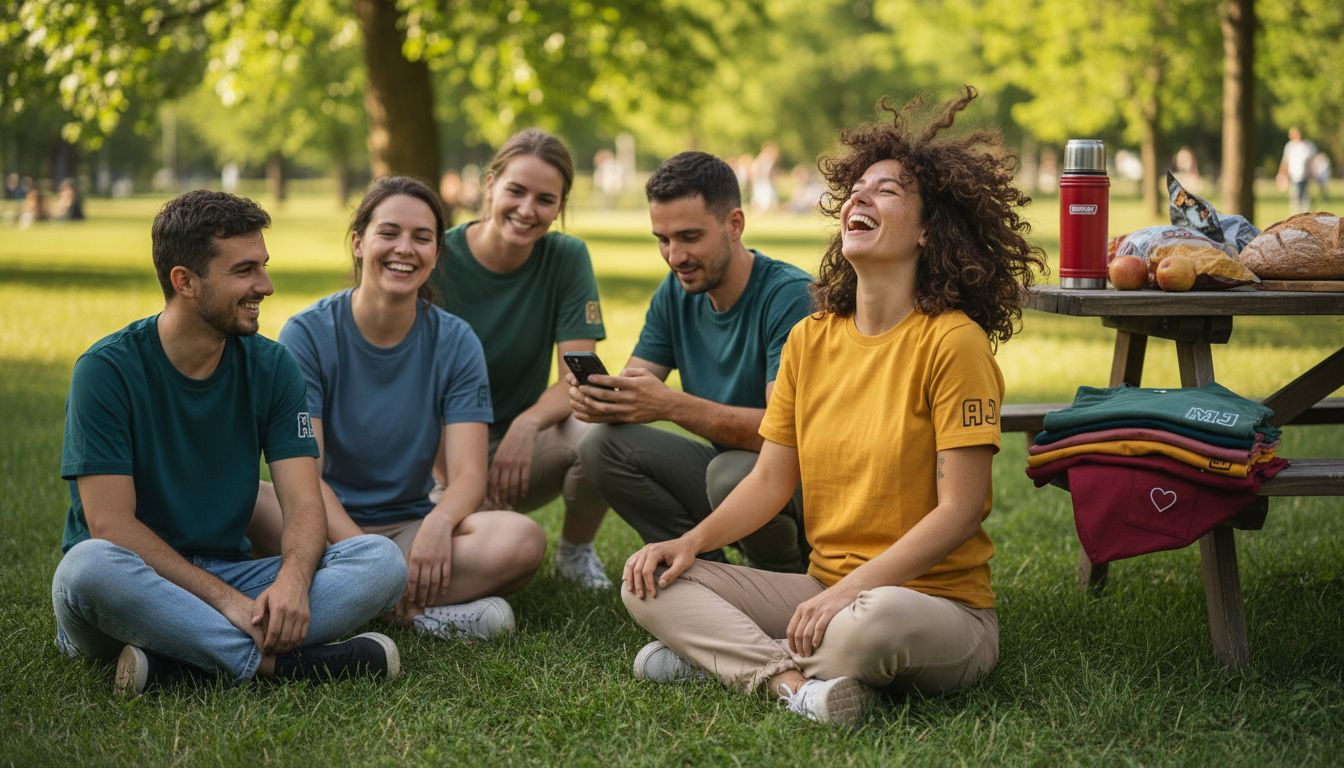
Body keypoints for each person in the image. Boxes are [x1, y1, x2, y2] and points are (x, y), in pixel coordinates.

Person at [617, 86, 1047, 727]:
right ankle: (791, 684)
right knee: (650, 581)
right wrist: (690, 543)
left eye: (886, 191)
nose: (859, 199)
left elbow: (961, 511)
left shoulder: (953, 342)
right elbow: (770, 479)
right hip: (819, 591)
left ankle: (721, 655)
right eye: (856, 190)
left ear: (928, 229)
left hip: (931, 606)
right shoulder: (809, 338)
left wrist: (847, 594)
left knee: (870, 625)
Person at [51, 190, 407, 699]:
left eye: (263, 266)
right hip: (134, 586)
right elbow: (111, 526)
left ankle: (179, 662)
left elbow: (304, 503)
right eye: (245, 271)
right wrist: (227, 602)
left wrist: (291, 581)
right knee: (87, 567)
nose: (266, 285)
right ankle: (284, 665)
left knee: (380, 560)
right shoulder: (105, 371)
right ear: (184, 282)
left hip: (234, 574)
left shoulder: (273, 366)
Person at [251, 176, 545, 641]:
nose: (404, 249)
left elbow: (469, 475)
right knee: (250, 499)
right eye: (389, 233)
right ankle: (422, 612)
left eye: (422, 238)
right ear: (358, 243)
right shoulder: (306, 334)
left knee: (521, 540)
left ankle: (356, 602)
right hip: (318, 525)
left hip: (411, 524)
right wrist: (368, 559)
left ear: (436, 253)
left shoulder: (456, 340)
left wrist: (440, 523)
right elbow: (307, 477)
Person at [571, 151, 814, 574]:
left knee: (729, 473)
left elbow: (786, 434)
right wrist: (604, 399)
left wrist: (671, 405)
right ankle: (700, 570)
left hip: (800, 483)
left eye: (689, 237)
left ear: (734, 224)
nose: (674, 255)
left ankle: (783, 581)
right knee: (601, 445)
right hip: (732, 476)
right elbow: (636, 383)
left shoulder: (789, 296)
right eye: (663, 239)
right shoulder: (676, 293)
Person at [426, 129, 612, 588]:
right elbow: (411, 389)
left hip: (519, 453)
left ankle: (575, 553)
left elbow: (578, 376)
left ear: (560, 206)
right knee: (449, 548)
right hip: (435, 451)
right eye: (516, 191)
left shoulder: (566, 257)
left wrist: (527, 425)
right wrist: (460, 482)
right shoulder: (437, 256)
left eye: (545, 199)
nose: (528, 210)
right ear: (490, 185)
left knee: (601, 425)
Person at [1277, 127, 1318, 214]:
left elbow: (1313, 161)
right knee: (1295, 199)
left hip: (1305, 176)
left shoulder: (1308, 145)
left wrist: (1313, 173)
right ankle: (1296, 216)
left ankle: (1305, 216)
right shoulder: (1290, 146)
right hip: (1294, 176)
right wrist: (1282, 174)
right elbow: (1285, 161)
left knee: (1305, 199)